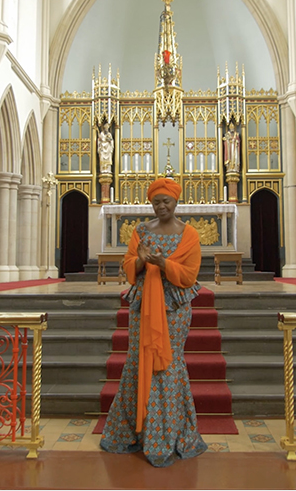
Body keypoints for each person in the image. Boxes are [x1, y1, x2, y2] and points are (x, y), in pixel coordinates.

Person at [100, 177, 206, 467]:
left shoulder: (190, 235)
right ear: (151, 202)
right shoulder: (141, 231)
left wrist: (162, 264)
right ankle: (136, 429)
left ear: (176, 202)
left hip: (175, 307)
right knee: (139, 359)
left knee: (168, 363)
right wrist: (139, 261)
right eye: (157, 201)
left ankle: (168, 433)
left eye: (166, 201)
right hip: (143, 306)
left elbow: (190, 275)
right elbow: (128, 265)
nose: (161, 206)